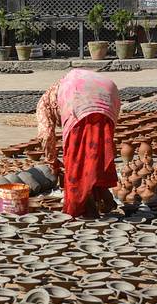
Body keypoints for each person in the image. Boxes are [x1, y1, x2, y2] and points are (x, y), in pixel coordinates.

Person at [36, 69, 121, 218]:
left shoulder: (43, 103)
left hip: (78, 97)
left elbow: (46, 135)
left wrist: (52, 162)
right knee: (97, 154)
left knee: (77, 163)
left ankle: (87, 207)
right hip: (108, 92)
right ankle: (105, 199)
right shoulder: (57, 90)